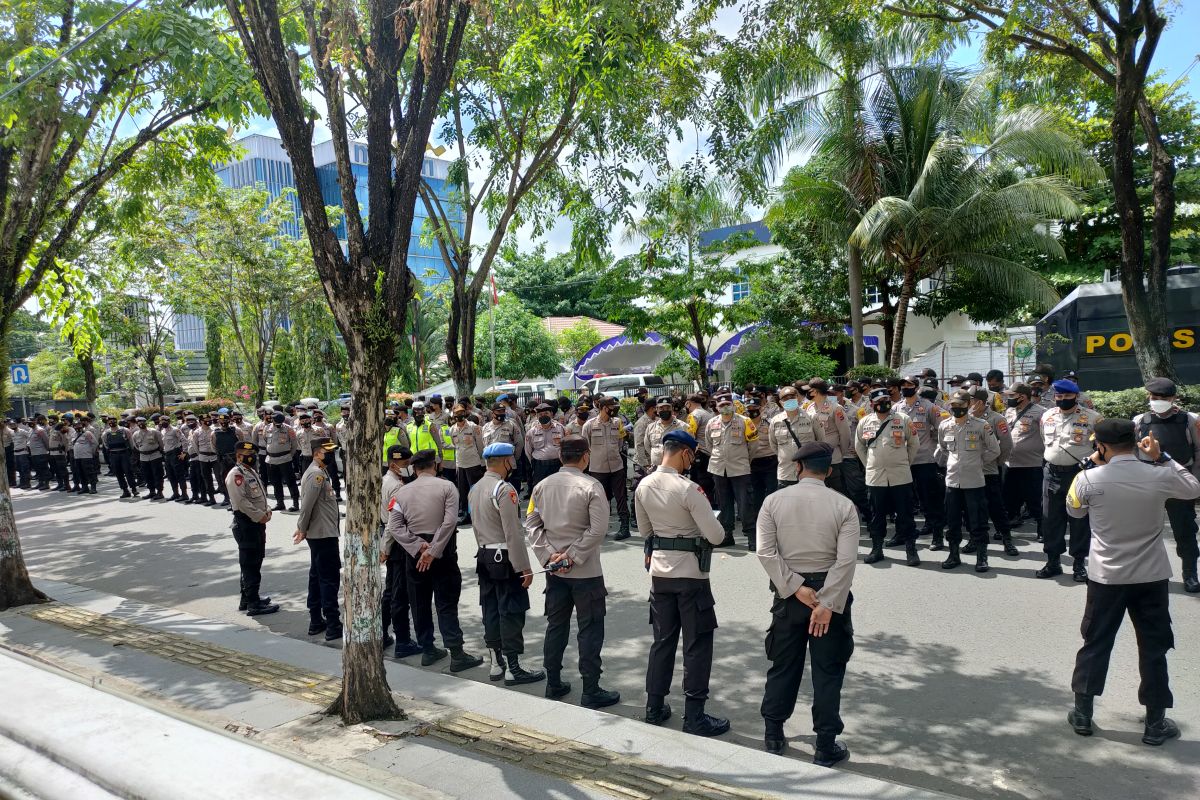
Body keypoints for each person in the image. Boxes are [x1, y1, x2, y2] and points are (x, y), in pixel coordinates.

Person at [1064, 419, 1200, 746]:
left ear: (1101, 445)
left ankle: (1083, 713)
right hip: (1150, 576)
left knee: (1096, 642)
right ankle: (1155, 723)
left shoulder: (1088, 479)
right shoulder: (1158, 474)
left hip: (1106, 578)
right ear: (1137, 440)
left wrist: (1087, 467)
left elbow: (1074, 510)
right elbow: (1193, 488)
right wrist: (1162, 456)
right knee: (1154, 647)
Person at [756, 442, 858, 766]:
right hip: (829, 599)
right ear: (828, 471)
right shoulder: (843, 506)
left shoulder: (773, 502)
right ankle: (825, 745)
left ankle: (773, 734)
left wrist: (796, 587)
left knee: (783, 666)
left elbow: (766, 553)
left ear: (798, 468)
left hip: (790, 598)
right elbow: (846, 561)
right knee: (828, 672)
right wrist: (826, 602)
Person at [636, 430, 730, 736]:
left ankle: (654, 707)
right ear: (685, 454)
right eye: (693, 455)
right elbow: (716, 536)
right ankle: (694, 715)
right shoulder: (689, 489)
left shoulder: (644, 485)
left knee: (662, 642)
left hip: (659, 577)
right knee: (696, 645)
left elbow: (645, 532)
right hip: (691, 577)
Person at [524, 435, 619, 708]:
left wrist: (548, 555)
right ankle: (590, 688)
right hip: (585, 571)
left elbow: (531, 525)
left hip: (555, 572)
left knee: (556, 626)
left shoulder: (542, 486)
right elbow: (598, 529)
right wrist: (572, 556)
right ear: (586, 456)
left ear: (560, 456)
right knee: (589, 629)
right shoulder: (591, 485)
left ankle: (553, 682)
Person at [386, 448, 482, 671]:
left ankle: (428, 649)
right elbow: (449, 522)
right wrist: (434, 550)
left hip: (415, 555)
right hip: (443, 552)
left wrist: (419, 547)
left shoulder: (402, 492)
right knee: (446, 603)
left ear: (414, 468)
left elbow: (395, 527)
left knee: (419, 603)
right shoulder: (447, 486)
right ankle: (456, 653)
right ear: (436, 465)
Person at [467, 442, 544, 685]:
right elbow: (513, 532)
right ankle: (513, 668)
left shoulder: (475, 488)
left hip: (484, 555)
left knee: (489, 608)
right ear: (504, 461)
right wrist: (525, 567)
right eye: (511, 458)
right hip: (504, 556)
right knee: (510, 610)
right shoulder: (503, 488)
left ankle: (495, 663)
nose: (514, 463)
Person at [1136, 378, 1200, 593]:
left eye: (1164, 398)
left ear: (1173, 398)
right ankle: (1144, 575)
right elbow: (1134, 454)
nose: (1159, 401)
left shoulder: (1190, 420)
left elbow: (1198, 452)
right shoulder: (1139, 420)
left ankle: (1190, 573)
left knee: (1185, 530)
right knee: (1143, 530)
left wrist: (1195, 482)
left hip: (1178, 481)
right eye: (1155, 397)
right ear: (1149, 397)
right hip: (1148, 483)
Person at [1038, 379, 1101, 582]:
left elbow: (1101, 446)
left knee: (1079, 519)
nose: (1062, 399)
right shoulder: (1047, 415)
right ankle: (1053, 561)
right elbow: (1044, 441)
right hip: (1052, 473)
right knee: (1051, 519)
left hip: (1078, 474)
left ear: (1076, 396)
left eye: (1067, 396)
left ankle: (1078, 564)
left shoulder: (1093, 418)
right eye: (1059, 396)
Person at [854, 389, 921, 567]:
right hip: (876, 477)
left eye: (886, 399)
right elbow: (859, 447)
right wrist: (870, 463)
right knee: (877, 515)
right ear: (872, 404)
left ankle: (911, 549)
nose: (884, 402)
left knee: (905, 514)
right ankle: (877, 549)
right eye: (880, 400)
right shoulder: (865, 422)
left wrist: (904, 462)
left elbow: (914, 444)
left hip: (900, 476)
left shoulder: (903, 419)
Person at [934, 391, 1000, 572]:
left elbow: (994, 450)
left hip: (974, 481)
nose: (956, 408)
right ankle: (953, 554)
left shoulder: (981, 425)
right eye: (953, 405)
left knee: (977, 521)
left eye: (960, 405)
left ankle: (982, 556)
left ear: (968, 404)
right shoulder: (945, 425)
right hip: (952, 481)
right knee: (953, 520)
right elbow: (943, 447)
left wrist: (978, 461)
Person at [293, 436, 343, 641]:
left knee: (317, 576)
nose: (330, 454)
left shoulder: (320, 471)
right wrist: (301, 528)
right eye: (327, 451)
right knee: (329, 579)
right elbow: (306, 505)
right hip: (322, 534)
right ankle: (332, 623)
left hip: (322, 532)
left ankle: (316, 620)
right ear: (316, 453)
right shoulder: (316, 475)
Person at [225, 441, 280, 617]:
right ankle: (253, 604)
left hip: (255, 522)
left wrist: (267, 510)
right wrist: (259, 515)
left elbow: (259, 496)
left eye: (253, 454)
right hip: (246, 523)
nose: (252, 457)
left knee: (254, 562)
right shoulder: (236, 475)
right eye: (248, 455)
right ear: (238, 456)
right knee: (250, 564)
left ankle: (248, 598)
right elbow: (241, 502)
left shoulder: (249, 471)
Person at [897, 375, 947, 549]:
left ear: (916, 387)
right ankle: (909, 532)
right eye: (903, 385)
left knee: (930, 498)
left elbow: (942, 428)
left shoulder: (928, 407)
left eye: (909, 385)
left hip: (925, 459)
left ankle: (938, 536)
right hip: (904, 461)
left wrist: (934, 446)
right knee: (907, 499)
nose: (905, 388)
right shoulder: (897, 408)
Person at [966, 386, 1017, 556]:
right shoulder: (964, 418)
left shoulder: (997, 419)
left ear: (979, 402)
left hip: (988, 471)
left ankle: (1007, 539)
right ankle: (974, 538)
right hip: (969, 472)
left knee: (996, 507)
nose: (967, 404)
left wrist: (996, 463)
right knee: (971, 508)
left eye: (970, 401)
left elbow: (1007, 445)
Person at [381, 444, 421, 658]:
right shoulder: (396, 487)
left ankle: (382, 633)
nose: (408, 468)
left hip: (392, 540)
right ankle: (403, 641)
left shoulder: (387, 480)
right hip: (396, 543)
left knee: (390, 592)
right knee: (399, 594)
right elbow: (392, 524)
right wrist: (385, 547)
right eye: (405, 465)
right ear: (393, 465)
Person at [704, 395, 757, 550]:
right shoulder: (711, 423)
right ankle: (727, 535)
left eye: (728, 404)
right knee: (724, 503)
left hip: (740, 469)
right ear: (717, 407)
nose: (725, 407)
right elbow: (709, 445)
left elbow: (753, 445)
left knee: (745, 503)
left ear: (733, 405)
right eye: (722, 404)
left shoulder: (745, 421)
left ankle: (751, 537)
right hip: (719, 469)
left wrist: (744, 460)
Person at [582, 396, 631, 540]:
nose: (615, 409)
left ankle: (624, 527)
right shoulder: (589, 425)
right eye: (612, 406)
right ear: (604, 408)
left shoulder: (617, 422)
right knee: (600, 499)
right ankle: (599, 528)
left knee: (621, 497)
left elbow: (620, 442)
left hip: (616, 466)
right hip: (598, 468)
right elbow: (586, 446)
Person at [1003, 382, 1045, 541]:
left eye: (1012, 396)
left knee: (1034, 500)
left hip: (1031, 464)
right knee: (1008, 499)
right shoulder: (1009, 411)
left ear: (1023, 396)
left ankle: (1042, 529)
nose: (1009, 398)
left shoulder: (1041, 413)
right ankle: (1007, 528)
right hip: (1010, 463)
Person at [767, 385, 823, 489]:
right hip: (786, 473)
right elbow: (774, 446)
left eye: (792, 397)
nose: (789, 400)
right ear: (780, 402)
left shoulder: (811, 417)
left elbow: (820, 441)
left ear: (797, 398)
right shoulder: (775, 421)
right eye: (785, 398)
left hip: (808, 473)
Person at [449, 403, 486, 523]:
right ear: (453, 415)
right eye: (456, 413)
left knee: (475, 490)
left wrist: (481, 461)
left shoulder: (473, 427)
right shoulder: (452, 429)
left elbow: (480, 445)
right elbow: (455, 446)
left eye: (461, 412)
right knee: (462, 491)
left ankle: (479, 513)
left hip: (473, 463)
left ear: (465, 413)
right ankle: (465, 513)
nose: (459, 415)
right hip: (460, 464)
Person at [264, 412, 300, 511]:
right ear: (273, 421)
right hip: (271, 460)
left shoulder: (288, 429)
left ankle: (295, 503)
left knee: (290, 482)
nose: (279, 424)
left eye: (281, 422)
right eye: (277, 422)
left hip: (285, 459)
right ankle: (280, 503)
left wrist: (289, 455)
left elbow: (294, 444)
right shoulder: (267, 428)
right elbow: (265, 440)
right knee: (275, 482)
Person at [525, 403, 566, 491]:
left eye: (546, 413)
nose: (543, 416)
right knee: (540, 489)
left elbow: (565, 446)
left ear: (551, 414)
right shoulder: (532, 432)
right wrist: (535, 464)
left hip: (557, 465)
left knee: (558, 489)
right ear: (536, 416)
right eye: (540, 414)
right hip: (540, 466)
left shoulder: (560, 428)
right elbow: (528, 451)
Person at [132, 416, 166, 500]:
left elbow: (161, 443)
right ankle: (152, 491)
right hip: (143, 457)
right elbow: (136, 446)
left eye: (142, 422)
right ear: (137, 424)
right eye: (139, 423)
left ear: (145, 423)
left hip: (155, 456)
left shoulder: (154, 432)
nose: (141, 424)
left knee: (157, 474)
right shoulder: (135, 434)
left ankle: (160, 492)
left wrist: (160, 451)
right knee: (147, 475)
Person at [104, 417, 138, 498]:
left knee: (128, 472)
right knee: (118, 473)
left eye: (113, 420)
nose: (112, 422)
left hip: (124, 454)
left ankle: (134, 489)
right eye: (110, 420)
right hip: (114, 455)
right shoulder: (106, 432)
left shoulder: (125, 430)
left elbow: (131, 442)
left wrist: (131, 453)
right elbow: (105, 443)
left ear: (116, 421)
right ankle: (125, 490)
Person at [70, 420, 98, 494]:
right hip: (77, 457)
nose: (77, 427)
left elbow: (94, 443)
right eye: (75, 425)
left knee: (90, 472)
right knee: (80, 472)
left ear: (82, 426)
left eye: (79, 425)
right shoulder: (73, 434)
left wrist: (91, 452)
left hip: (86, 456)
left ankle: (93, 487)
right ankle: (84, 487)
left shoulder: (87, 433)